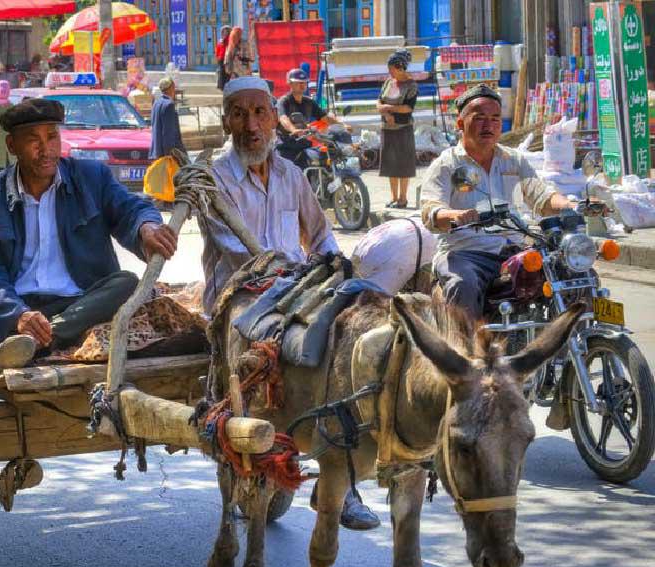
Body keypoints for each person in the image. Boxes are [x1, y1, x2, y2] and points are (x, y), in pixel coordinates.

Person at [0, 98, 178, 536]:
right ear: (12, 146)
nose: (46, 148)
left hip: (76, 307)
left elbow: (131, 209)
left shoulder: (90, 177)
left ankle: (38, 345)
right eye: (34, 140)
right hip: (6, 313)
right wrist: (16, 316)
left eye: (52, 137)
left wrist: (146, 228)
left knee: (125, 282)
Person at [200, 76, 381, 531]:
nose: (251, 125)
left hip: (297, 288)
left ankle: (346, 482)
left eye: (260, 113)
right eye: (239, 114)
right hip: (241, 297)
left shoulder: (291, 175)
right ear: (226, 121)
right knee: (282, 355)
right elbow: (235, 250)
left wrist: (336, 267)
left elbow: (319, 235)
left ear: (274, 121)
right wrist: (291, 273)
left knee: (349, 339)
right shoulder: (212, 177)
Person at [420, 85, 594, 318]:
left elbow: (542, 198)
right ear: (460, 124)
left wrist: (572, 205)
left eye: (494, 119)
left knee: (578, 273)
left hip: (514, 251)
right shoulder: (446, 164)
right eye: (479, 118)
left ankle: (581, 340)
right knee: (462, 285)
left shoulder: (513, 160)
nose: (488, 125)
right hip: (466, 253)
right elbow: (430, 210)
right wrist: (455, 216)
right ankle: (466, 352)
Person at [275, 67, 347, 168]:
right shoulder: (284, 101)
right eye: (298, 82)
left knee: (323, 163)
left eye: (304, 82)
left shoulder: (309, 102)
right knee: (288, 174)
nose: (302, 85)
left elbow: (325, 118)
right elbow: (283, 118)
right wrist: (293, 129)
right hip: (286, 147)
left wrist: (342, 125)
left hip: (304, 145)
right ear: (290, 83)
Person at [377, 50, 418, 208]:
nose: (390, 72)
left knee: (403, 164)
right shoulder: (388, 82)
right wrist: (385, 111)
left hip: (403, 129)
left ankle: (403, 198)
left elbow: (408, 108)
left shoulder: (411, 85)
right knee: (390, 164)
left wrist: (389, 108)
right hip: (387, 128)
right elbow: (378, 102)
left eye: (392, 68)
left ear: (400, 67)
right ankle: (393, 197)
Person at [149, 77, 185, 160]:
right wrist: (169, 155)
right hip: (166, 155)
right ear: (171, 88)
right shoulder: (169, 105)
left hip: (156, 153)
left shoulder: (156, 103)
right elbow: (168, 133)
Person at [215, 25, 232, 91]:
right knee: (221, 72)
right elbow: (218, 49)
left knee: (227, 72)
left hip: (227, 58)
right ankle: (221, 86)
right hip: (221, 58)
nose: (225, 33)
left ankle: (227, 85)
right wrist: (217, 56)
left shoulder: (230, 40)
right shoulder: (220, 40)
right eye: (223, 31)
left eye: (226, 31)